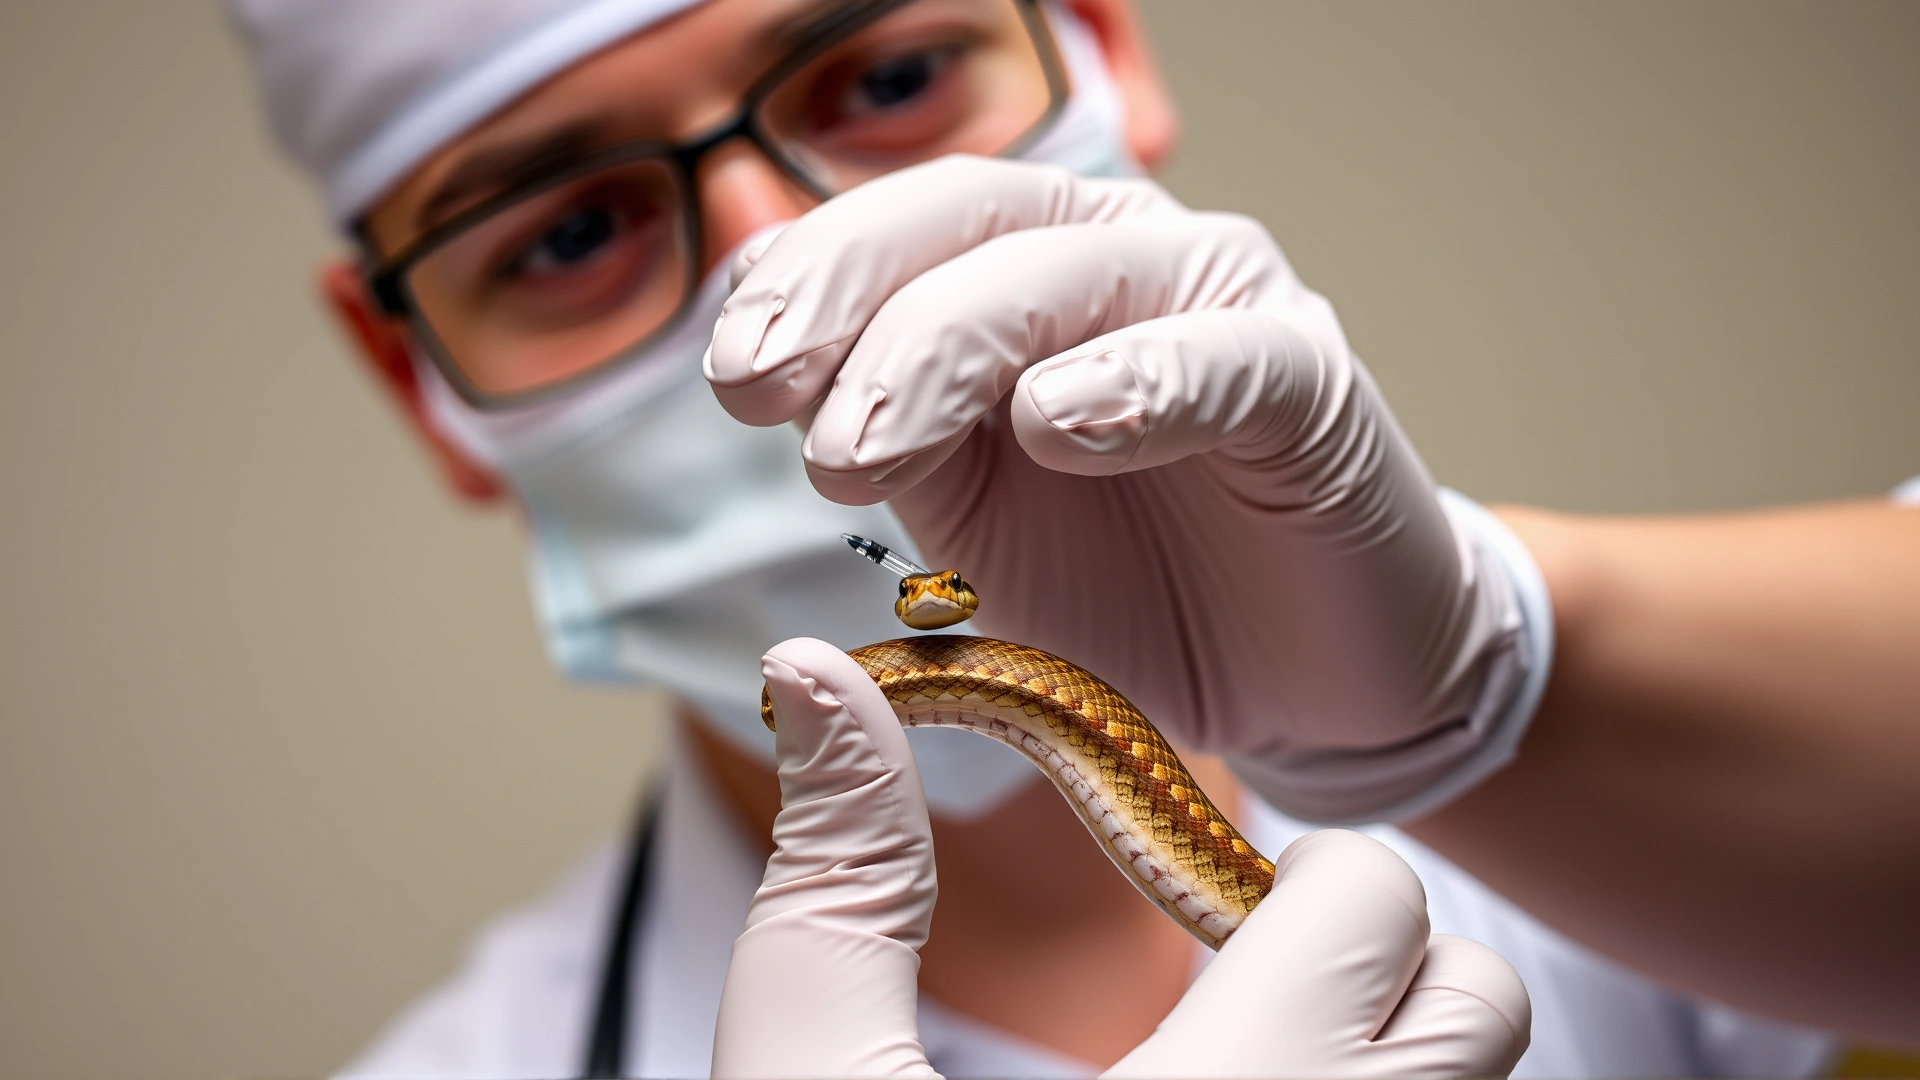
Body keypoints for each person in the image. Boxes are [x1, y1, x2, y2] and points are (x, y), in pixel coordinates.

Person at [228, 0, 1891, 1074]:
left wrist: (1486, 687)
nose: (778, 259)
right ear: (412, 378)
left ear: (1099, 38)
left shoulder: (1611, 733)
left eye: (886, 75)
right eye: (571, 230)